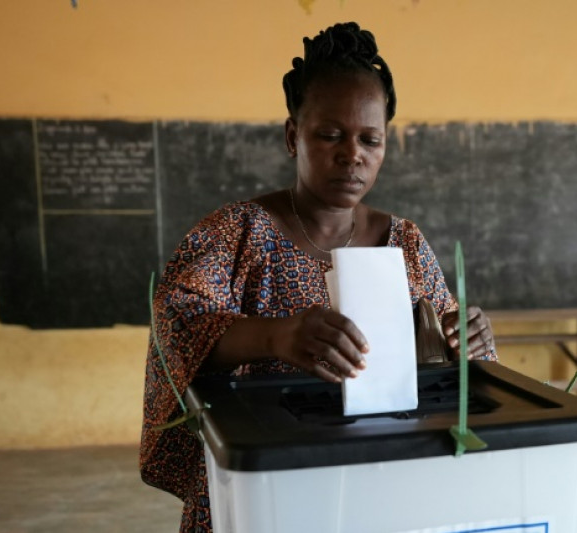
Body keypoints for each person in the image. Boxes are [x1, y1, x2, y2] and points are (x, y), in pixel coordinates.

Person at [140, 21, 498, 533]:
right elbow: (177, 325)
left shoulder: (405, 242)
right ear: (293, 136)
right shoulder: (236, 233)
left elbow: (440, 347)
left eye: (370, 139)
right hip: (266, 480)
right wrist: (276, 335)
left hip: (381, 477)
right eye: (330, 134)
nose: (352, 154)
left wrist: (467, 341)